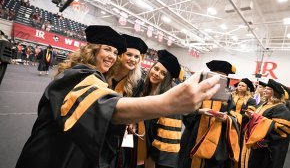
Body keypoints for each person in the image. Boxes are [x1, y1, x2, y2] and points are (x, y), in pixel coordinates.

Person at [15, 25, 221, 168]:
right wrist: (168, 103)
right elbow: (101, 106)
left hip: (74, 152)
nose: (112, 56)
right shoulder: (77, 75)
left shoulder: (101, 78)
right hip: (51, 155)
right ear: (92, 51)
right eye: (107, 49)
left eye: (115, 52)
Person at [178, 60, 240, 168]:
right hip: (194, 133)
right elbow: (184, 109)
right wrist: (199, 111)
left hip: (216, 136)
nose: (218, 79)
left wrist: (225, 118)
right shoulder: (198, 90)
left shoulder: (227, 96)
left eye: (222, 77)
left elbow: (233, 115)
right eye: (215, 75)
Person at [105, 34, 148, 168]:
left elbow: (137, 106)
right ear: (121, 55)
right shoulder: (105, 73)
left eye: (136, 57)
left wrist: (134, 120)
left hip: (119, 133)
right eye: (129, 54)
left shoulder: (138, 82)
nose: (133, 59)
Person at [140, 50, 183, 168]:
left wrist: (152, 158)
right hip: (141, 147)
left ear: (167, 79)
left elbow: (167, 137)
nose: (157, 73)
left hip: (155, 158)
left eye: (163, 73)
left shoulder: (169, 100)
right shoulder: (144, 89)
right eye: (156, 69)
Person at [241, 79, 290, 168]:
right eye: (265, 88)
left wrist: (257, 118)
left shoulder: (281, 108)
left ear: (275, 92)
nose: (265, 90)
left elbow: (283, 128)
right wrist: (251, 116)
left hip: (268, 147)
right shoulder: (263, 104)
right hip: (257, 142)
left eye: (268, 89)